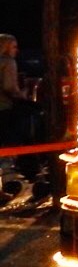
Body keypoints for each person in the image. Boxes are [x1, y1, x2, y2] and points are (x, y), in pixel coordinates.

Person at [0, 33, 41, 191]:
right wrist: (23, 94)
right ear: (6, 47)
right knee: (18, 139)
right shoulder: (8, 62)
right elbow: (9, 87)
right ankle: (28, 175)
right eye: (14, 47)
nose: (17, 51)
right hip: (5, 108)